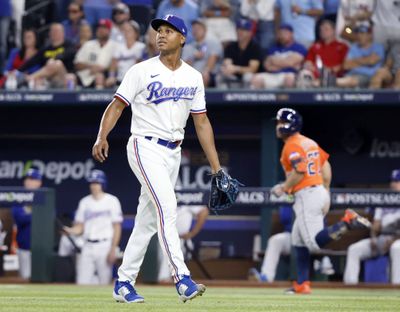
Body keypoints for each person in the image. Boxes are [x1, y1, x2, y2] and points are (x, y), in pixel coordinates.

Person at [92, 14, 231, 303]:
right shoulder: (140, 71)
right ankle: (181, 278)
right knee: (168, 206)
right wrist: (101, 135)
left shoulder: (193, 76)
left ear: (182, 38)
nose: (161, 35)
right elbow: (116, 106)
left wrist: (217, 168)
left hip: (173, 151)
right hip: (145, 145)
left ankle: (123, 283)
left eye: (169, 31)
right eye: (159, 30)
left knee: (147, 220)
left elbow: (202, 123)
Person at [272, 107, 371, 294]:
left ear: (288, 125)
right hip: (317, 190)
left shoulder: (291, 145)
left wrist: (283, 188)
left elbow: (300, 170)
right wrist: (325, 191)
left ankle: (346, 222)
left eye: (279, 122)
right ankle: (302, 284)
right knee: (298, 240)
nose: (277, 126)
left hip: (306, 195)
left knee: (314, 244)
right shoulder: (309, 142)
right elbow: (326, 166)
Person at [62, 170, 123, 285]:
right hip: (88, 246)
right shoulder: (84, 202)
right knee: (82, 281)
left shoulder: (112, 201)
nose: (94, 186)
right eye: (92, 183)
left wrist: (113, 249)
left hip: (105, 245)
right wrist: (70, 231)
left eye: (97, 183)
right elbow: (79, 227)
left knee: (105, 282)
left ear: (103, 184)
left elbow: (117, 227)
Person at [344, 169, 400, 285]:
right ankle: (350, 287)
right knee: (354, 250)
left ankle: (396, 287)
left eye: (397, 181)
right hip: (382, 238)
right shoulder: (384, 199)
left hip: (397, 240)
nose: (393, 184)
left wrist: (393, 239)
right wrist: (374, 237)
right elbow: (376, 224)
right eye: (392, 181)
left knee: (396, 248)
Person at [158, 205, 209, 282]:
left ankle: (169, 282)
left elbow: (204, 211)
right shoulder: (162, 196)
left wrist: (193, 233)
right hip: (160, 238)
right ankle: (164, 282)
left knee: (170, 251)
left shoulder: (186, 197)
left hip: (180, 239)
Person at [18, 23, 76, 89]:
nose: (55, 33)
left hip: (65, 77)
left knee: (57, 63)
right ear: (49, 34)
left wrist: (52, 61)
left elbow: (65, 55)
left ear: (63, 33)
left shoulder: (69, 45)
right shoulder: (45, 49)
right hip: (48, 79)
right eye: (53, 31)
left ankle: (29, 78)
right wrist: (18, 71)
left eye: (57, 31)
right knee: (39, 80)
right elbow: (32, 61)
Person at [250, 24, 307, 89]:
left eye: (285, 33)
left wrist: (274, 61)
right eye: (280, 33)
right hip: (273, 75)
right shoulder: (273, 48)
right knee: (256, 79)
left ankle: (291, 99)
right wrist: (287, 63)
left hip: (289, 74)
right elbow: (267, 65)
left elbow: (290, 62)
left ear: (292, 34)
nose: (282, 36)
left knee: (290, 78)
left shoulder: (299, 47)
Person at [11, 168, 43, 280]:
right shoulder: (19, 198)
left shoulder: (45, 197)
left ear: (39, 182)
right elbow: (20, 218)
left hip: (41, 249)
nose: (29, 181)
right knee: (25, 279)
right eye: (27, 179)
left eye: (33, 179)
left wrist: (30, 212)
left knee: (41, 280)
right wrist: (38, 213)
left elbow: (49, 217)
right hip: (24, 247)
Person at [300, 19, 348, 88]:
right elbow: (308, 62)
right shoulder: (315, 46)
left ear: (334, 31)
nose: (323, 31)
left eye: (326, 29)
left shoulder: (343, 46)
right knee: (304, 74)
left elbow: (346, 64)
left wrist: (331, 70)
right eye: (321, 30)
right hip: (316, 76)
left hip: (336, 77)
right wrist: (309, 66)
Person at [217, 18, 262, 89]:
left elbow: (253, 69)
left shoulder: (255, 47)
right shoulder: (231, 46)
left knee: (248, 76)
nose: (240, 32)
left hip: (249, 78)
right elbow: (227, 63)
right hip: (233, 77)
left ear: (250, 33)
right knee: (221, 75)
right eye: (238, 29)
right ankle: (221, 99)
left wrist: (236, 69)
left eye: (244, 30)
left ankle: (247, 99)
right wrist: (228, 68)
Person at [336, 23, 385, 89]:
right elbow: (346, 65)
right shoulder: (354, 47)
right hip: (350, 75)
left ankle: (331, 82)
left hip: (368, 76)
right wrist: (366, 60)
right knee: (346, 81)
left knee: (350, 81)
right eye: (358, 33)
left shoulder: (378, 47)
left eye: (362, 33)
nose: (359, 35)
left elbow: (372, 61)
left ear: (370, 35)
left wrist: (354, 61)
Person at [74, 18, 115, 89]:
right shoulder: (88, 44)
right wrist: (91, 67)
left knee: (99, 77)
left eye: (104, 28)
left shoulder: (115, 46)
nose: (101, 30)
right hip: (84, 77)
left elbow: (115, 64)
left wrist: (102, 68)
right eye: (99, 27)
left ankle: (98, 99)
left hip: (104, 77)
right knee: (70, 78)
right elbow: (77, 64)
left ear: (109, 31)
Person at [182, 18, 223, 87]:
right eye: (194, 28)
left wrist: (205, 71)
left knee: (204, 75)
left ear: (205, 30)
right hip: (191, 75)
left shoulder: (213, 42)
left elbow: (213, 59)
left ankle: (202, 97)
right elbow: (184, 67)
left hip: (209, 74)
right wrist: (193, 57)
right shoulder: (188, 47)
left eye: (198, 28)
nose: (196, 30)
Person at [106, 20, 145, 88]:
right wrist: (111, 76)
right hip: (119, 80)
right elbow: (113, 63)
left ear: (136, 33)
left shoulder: (141, 47)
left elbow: (140, 65)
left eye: (129, 30)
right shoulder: (119, 46)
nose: (127, 33)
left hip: (135, 82)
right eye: (125, 31)